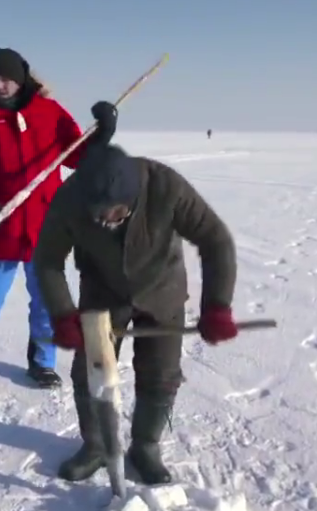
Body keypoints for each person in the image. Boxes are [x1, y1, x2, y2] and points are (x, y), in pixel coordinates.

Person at [32, 142, 240, 485]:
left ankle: (146, 447)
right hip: (101, 292)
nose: (103, 220)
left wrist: (217, 306)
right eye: (96, 213)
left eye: (112, 212)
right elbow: (48, 260)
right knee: (90, 374)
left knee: (161, 373)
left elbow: (215, 240)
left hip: (162, 290)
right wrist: (63, 314)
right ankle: (96, 446)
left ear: (131, 199)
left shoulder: (165, 186)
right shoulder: (69, 198)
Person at [0, 47, 118, 399]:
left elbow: (78, 154)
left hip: (46, 228)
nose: (1, 85)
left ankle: (42, 362)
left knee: (47, 303)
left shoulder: (50, 112)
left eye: (8, 78)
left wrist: (102, 136)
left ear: (22, 78)